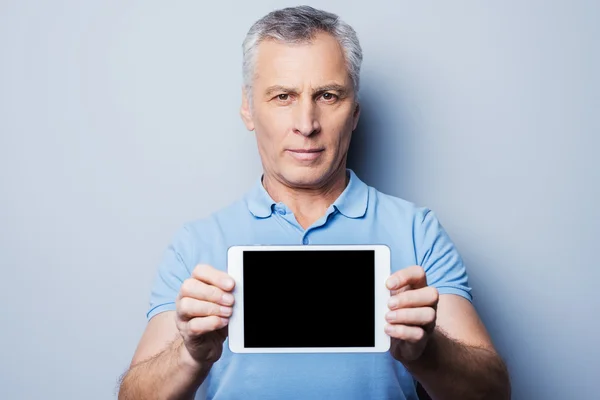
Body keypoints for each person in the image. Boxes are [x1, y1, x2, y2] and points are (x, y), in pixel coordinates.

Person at [118, 5, 510, 400]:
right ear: (248, 108)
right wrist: (189, 356)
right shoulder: (197, 245)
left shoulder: (416, 231)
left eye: (327, 95)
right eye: (283, 96)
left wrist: (428, 354)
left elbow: (493, 393)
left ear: (354, 111)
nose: (306, 124)